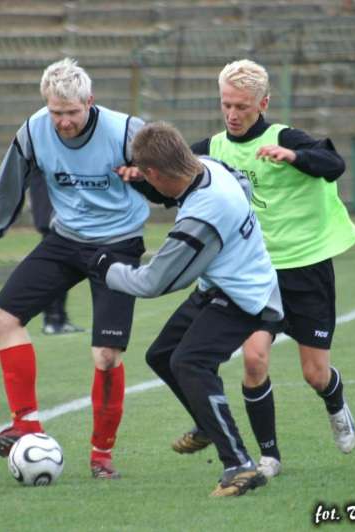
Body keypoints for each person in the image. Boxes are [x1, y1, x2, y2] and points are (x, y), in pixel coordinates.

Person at [0, 58, 168, 479]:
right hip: (66, 240)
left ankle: (101, 456)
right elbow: (8, 185)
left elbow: (172, 181)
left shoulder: (126, 131)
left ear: (90, 102)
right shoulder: (34, 130)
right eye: (55, 112)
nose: (63, 122)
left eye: (72, 112)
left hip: (118, 244)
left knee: (106, 356)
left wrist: (144, 180)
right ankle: (25, 425)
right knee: (1, 316)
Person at [173, 59, 355, 477]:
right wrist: (138, 172)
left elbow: (333, 164)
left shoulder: (286, 138)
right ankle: (269, 456)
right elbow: (173, 170)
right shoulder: (212, 148)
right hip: (256, 274)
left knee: (315, 374)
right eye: (226, 104)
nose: (232, 114)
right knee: (254, 359)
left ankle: (335, 402)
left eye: (242, 106)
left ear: (263, 103)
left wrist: (293, 156)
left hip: (306, 269)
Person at [89, 121, 285, 497]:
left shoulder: (203, 215)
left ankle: (239, 465)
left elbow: (154, 282)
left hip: (245, 297)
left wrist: (105, 268)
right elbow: (242, 186)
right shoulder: (209, 165)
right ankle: (208, 423)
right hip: (221, 284)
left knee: (190, 363)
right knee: (162, 355)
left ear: (152, 174)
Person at [27, 175, 84, 335]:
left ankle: (60, 318)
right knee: (52, 273)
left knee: (64, 271)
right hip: (51, 217)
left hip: (61, 219)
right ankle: (51, 319)